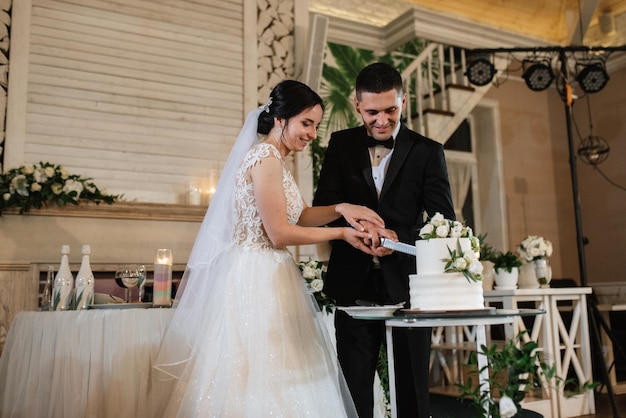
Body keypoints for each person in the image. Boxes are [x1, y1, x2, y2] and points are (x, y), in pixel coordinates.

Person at [152, 80, 385, 417]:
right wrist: (341, 234)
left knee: (280, 370)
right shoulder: (265, 157)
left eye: (316, 126)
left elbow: (301, 214)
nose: (312, 134)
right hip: (255, 276)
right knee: (256, 373)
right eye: (306, 123)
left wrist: (341, 208)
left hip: (272, 273)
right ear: (280, 120)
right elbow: (278, 233)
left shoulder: (277, 158)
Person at [313, 62, 456, 418]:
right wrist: (350, 219)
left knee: (411, 394)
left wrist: (398, 236)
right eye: (372, 111)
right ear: (357, 105)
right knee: (354, 392)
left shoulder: (428, 151)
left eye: (390, 110)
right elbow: (322, 208)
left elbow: (445, 223)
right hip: (353, 285)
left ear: (403, 101)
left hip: (408, 289)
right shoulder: (340, 145)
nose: (381, 120)